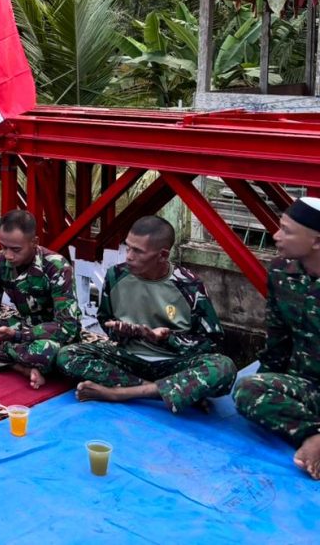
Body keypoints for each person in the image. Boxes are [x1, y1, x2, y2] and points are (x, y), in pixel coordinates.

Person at [56, 216, 234, 411]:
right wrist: (123, 332)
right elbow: (105, 318)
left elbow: (212, 343)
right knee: (67, 355)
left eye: (138, 251)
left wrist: (165, 339)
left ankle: (119, 393)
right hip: (129, 359)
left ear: (162, 255)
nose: (129, 256)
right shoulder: (116, 275)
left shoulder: (189, 285)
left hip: (173, 363)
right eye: (128, 247)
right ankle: (168, 390)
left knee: (223, 367)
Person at [234, 198, 320, 480]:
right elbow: (278, 339)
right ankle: (313, 435)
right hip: (306, 387)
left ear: (316, 241)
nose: (276, 235)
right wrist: (265, 389)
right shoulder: (282, 271)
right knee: (247, 389)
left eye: (287, 231)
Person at [0, 210, 80, 389]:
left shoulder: (57, 267)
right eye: (4, 247)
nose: (8, 255)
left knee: (46, 352)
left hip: (50, 334)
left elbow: (67, 327)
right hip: (21, 325)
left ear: (34, 242)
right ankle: (23, 368)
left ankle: (9, 356)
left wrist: (16, 336)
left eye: (16, 250)